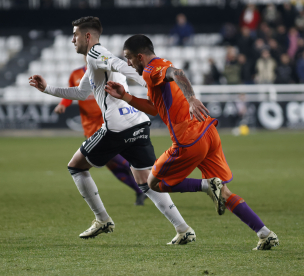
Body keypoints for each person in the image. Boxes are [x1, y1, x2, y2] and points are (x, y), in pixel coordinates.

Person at [29, 17, 195, 244]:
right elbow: (80, 93)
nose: (72, 40)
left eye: (75, 35)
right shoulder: (93, 60)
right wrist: (46, 88)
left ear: (88, 36)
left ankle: (102, 219)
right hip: (138, 122)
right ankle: (183, 228)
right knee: (145, 181)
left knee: (76, 166)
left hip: (117, 127)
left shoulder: (97, 53)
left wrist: (147, 81)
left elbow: (119, 64)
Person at [104, 34, 279, 250]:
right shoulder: (159, 68)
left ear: (140, 56)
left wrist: (191, 98)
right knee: (223, 191)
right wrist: (126, 97)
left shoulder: (151, 70)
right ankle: (265, 234)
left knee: (153, 183)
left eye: (129, 58)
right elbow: (154, 108)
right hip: (207, 131)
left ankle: (206, 186)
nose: (128, 63)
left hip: (189, 139)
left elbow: (178, 74)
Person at [54, 58, 147, 205]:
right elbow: (72, 93)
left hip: (108, 124)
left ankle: (147, 176)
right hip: (89, 127)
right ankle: (140, 189)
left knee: (118, 159)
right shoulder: (76, 74)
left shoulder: (105, 73)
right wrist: (62, 104)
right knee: (112, 164)